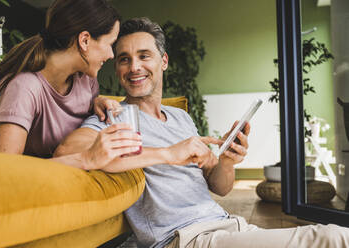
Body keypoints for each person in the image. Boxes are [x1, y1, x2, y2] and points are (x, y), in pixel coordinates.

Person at [55, 17, 349, 248]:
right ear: (117, 68)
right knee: (333, 239)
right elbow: (68, 152)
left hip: (228, 227)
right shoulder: (115, 117)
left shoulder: (181, 117)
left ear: (164, 62)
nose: (134, 67)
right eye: (124, 59)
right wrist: (168, 154)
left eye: (144, 56)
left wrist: (226, 162)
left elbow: (219, 187)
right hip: (185, 239)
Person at [0, 0, 143, 164]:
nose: (112, 55)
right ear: (84, 40)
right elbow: (4, 167)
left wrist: (95, 103)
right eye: (110, 44)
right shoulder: (24, 88)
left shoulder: (87, 81)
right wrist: (86, 159)